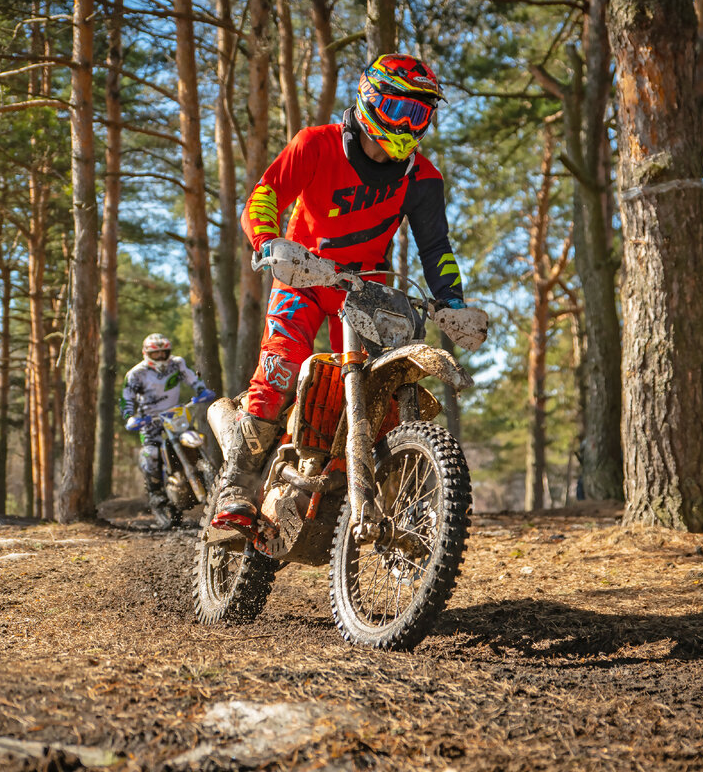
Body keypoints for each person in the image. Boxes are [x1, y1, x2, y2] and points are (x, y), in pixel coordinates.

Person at [213, 53, 468, 531]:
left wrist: (453, 301)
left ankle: (394, 505)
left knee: (385, 394)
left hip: (365, 291)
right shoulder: (316, 144)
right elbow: (265, 193)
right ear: (371, 101)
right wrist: (269, 242)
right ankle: (235, 489)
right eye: (400, 110)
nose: (409, 125)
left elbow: (435, 246)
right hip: (305, 278)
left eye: (421, 114)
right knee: (280, 366)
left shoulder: (422, 177)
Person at [121, 334, 214, 510]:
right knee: (152, 454)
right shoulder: (136, 374)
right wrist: (130, 417)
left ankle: (207, 477)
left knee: (193, 442)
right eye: (156, 354)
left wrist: (201, 390)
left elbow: (191, 378)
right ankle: (155, 493)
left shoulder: (177, 364)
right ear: (146, 353)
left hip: (175, 415)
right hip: (149, 421)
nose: (161, 357)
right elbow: (126, 397)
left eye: (164, 353)